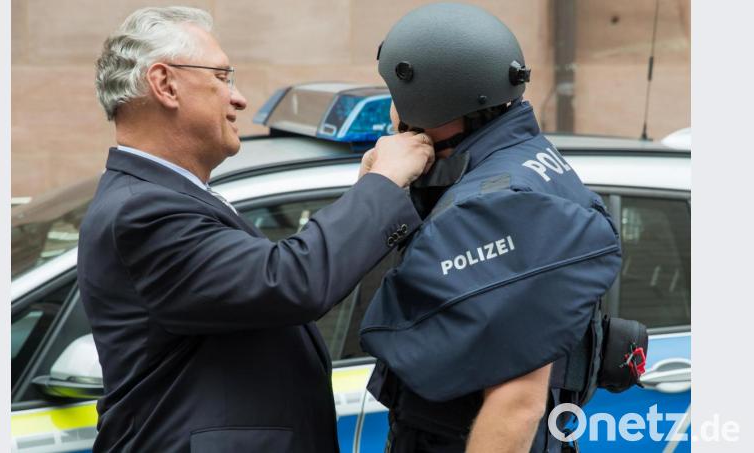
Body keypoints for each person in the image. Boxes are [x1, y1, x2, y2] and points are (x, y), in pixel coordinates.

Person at [78, 6, 434, 452]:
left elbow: (261, 285)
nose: (239, 98)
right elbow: (290, 280)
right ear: (165, 84)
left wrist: (368, 192)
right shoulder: (144, 212)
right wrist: (383, 185)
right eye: (223, 77)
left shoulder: (162, 197)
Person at [359, 3, 622, 452]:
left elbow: (516, 402)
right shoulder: (518, 162)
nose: (392, 109)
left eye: (395, 92)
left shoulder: (498, 204)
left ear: (429, 98)